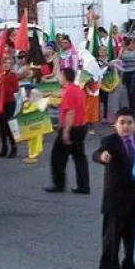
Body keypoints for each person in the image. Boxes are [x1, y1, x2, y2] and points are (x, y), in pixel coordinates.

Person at [92, 107, 135, 269]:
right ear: (115, 125)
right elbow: (96, 154)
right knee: (111, 242)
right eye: (122, 122)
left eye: (129, 122)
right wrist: (102, 157)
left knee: (133, 242)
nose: (126, 126)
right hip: (115, 201)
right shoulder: (110, 141)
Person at [45, 67, 90, 195]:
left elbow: (70, 112)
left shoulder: (69, 91)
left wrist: (65, 132)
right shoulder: (76, 89)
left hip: (71, 128)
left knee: (57, 157)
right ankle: (84, 186)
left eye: (60, 75)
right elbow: (62, 94)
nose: (58, 78)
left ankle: (59, 184)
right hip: (81, 126)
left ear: (64, 76)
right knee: (79, 157)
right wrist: (48, 94)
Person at [0, 56, 20, 158]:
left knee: (8, 125)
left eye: (8, 63)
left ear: (11, 65)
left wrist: (7, 89)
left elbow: (16, 89)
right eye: (4, 63)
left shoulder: (12, 75)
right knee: (2, 126)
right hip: (0, 103)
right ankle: (4, 147)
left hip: (9, 102)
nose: (6, 65)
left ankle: (13, 146)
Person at [119, 37, 135, 111]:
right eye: (132, 44)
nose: (133, 45)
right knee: (126, 91)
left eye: (134, 44)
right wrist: (121, 51)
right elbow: (118, 60)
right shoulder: (123, 51)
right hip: (125, 73)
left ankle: (132, 108)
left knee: (132, 91)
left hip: (133, 73)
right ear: (128, 44)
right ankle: (127, 107)